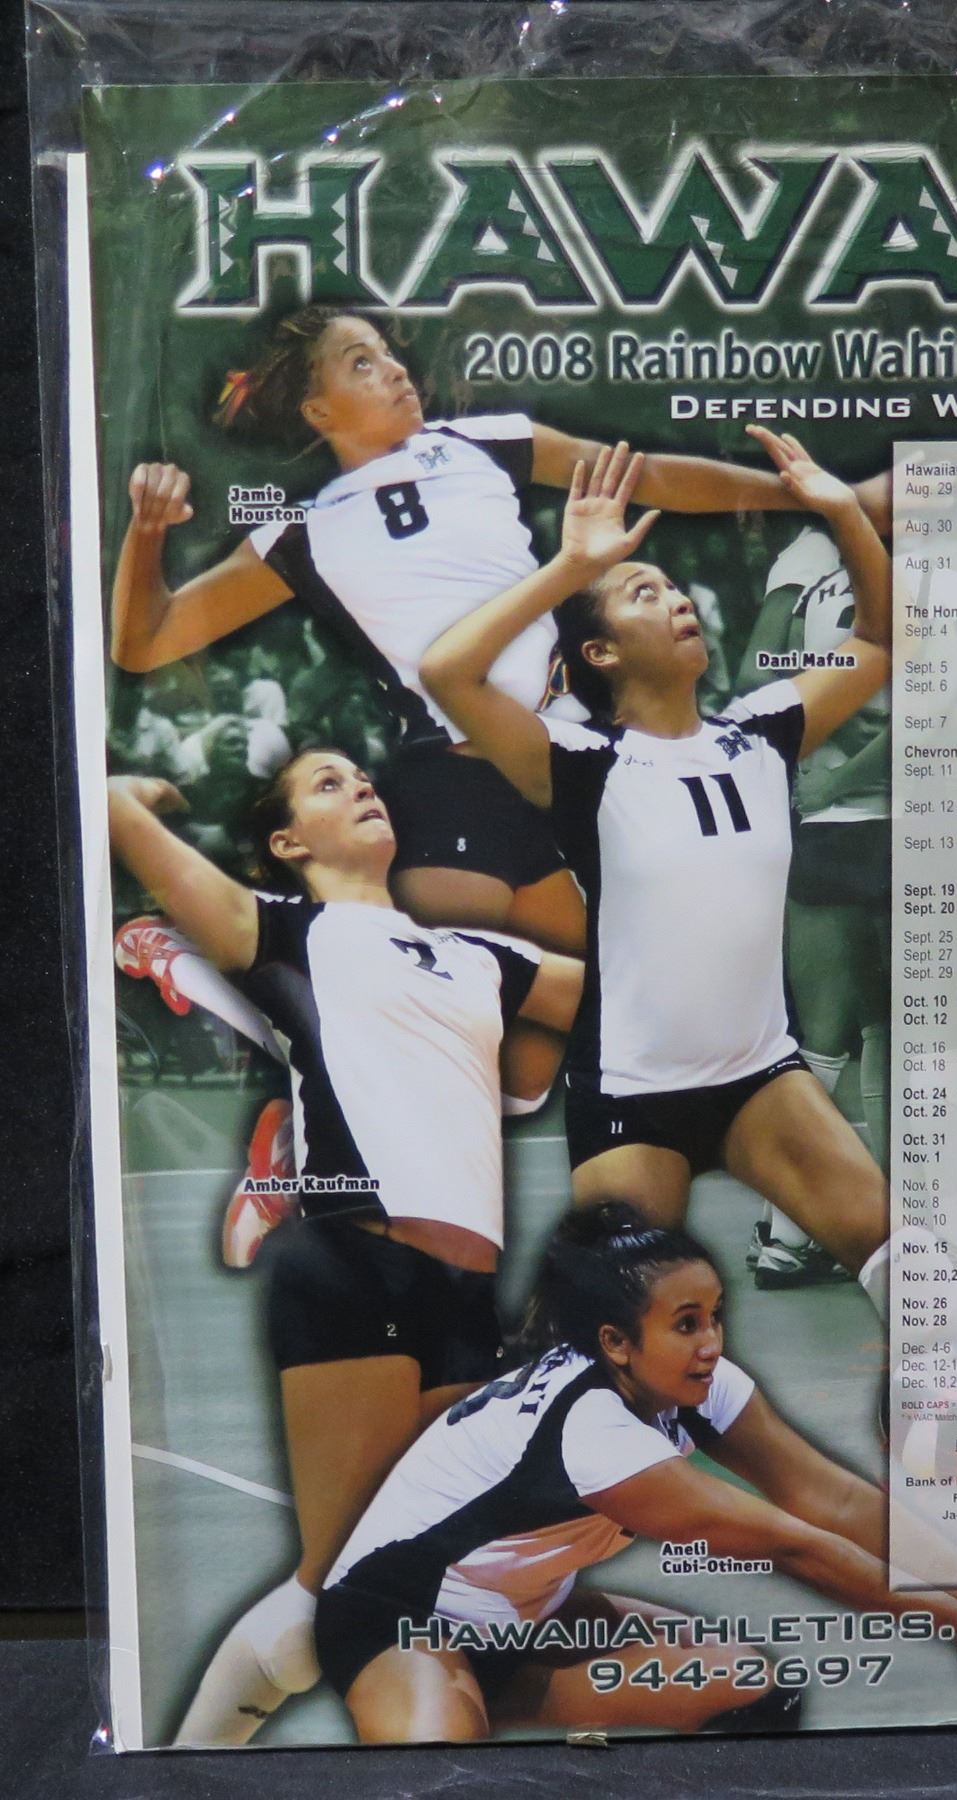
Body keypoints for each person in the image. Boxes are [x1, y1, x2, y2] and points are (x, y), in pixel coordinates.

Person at [111, 305, 855, 953]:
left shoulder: (484, 443)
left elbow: (651, 477)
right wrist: (146, 534)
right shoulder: (298, 534)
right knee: (480, 1011)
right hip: (457, 777)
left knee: (621, 995)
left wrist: (814, 498)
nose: (394, 369)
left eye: (388, 353)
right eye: (361, 362)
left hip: (575, 756)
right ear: (319, 413)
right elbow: (144, 643)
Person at [107, 752, 582, 1746]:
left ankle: (197, 1762)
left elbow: (628, 996)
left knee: (417, 1577)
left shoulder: (477, 956)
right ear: (287, 843)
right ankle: (187, 1767)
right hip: (356, 1266)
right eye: (327, 785)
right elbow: (123, 824)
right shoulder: (284, 925)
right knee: (346, 1585)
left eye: (363, 776)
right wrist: (133, 802)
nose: (360, 785)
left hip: (466, 1291)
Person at [418, 432, 897, 1317]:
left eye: (675, 589)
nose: (678, 600)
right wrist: (572, 567)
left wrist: (841, 512)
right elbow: (447, 671)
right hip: (633, 1092)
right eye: (645, 592)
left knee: (918, 1283)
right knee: (618, 1338)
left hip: (762, 1079)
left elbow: (879, 636)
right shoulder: (579, 759)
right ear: (601, 653)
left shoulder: (765, 730)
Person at [315, 1203, 957, 1743]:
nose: (710, 1342)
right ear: (617, 1342)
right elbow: (794, 1545)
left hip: (530, 1621)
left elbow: (831, 1498)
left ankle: (495, 1707)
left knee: (750, 1693)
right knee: (442, 1768)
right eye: (685, 1324)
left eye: (714, 1315)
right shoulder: (593, 1432)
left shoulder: (693, 1381)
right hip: (399, 1623)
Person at [735, 505, 892, 1288]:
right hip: (898, 824)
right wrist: (845, 764)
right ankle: (890, 1228)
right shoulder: (920, 575)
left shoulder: (814, 572)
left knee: (821, 1039)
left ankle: (787, 1235)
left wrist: (819, 730)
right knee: (893, 1032)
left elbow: (754, 679)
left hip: (825, 827)